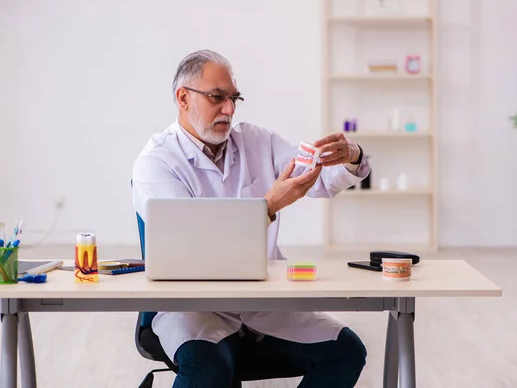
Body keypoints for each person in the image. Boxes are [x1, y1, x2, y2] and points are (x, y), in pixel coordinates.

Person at [132, 49, 371, 388]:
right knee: (207, 369)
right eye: (217, 98)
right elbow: (194, 246)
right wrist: (267, 207)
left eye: (234, 99)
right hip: (193, 307)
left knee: (346, 352)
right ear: (182, 98)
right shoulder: (157, 163)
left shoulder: (257, 141)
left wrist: (351, 157)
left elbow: (315, 179)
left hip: (262, 301)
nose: (228, 110)